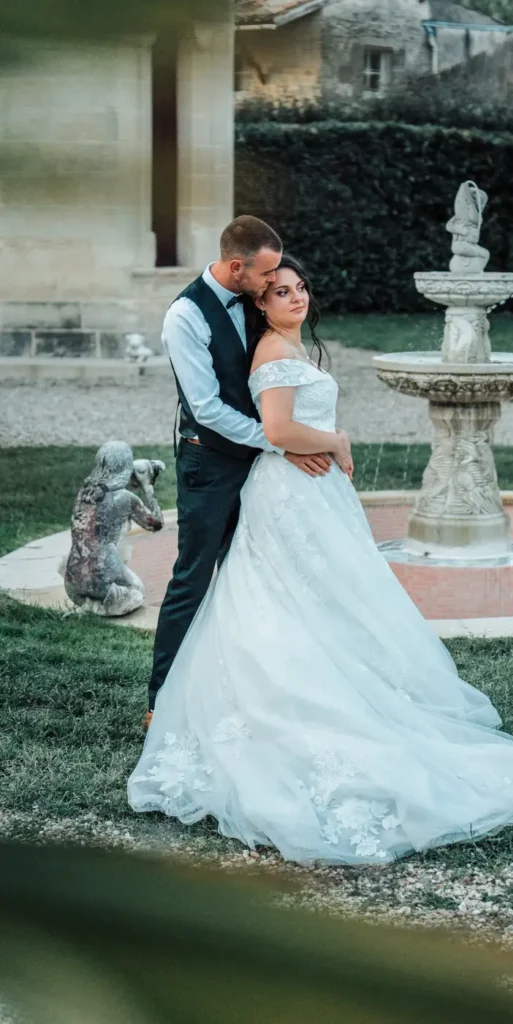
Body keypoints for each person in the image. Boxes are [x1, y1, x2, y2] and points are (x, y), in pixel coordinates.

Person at [128, 255, 513, 866]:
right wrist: (336, 440)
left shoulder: (293, 347)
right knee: (278, 597)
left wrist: (325, 446)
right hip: (288, 491)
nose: (295, 298)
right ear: (259, 302)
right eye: (280, 291)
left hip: (311, 492)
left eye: (300, 287)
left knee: (326, 598)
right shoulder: (269, 353)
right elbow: (280, 428)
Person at [147, 218, 332, 727]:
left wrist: (282, 441)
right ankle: (160, 700)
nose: (274, 284)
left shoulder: (254, 298)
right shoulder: (184, 316)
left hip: (265, 461)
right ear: (237, 267)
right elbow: (205, 406)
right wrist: (278, 441)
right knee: (196, 575)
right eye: (267, 274)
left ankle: (244, 691)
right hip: (210, 462)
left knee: (252, 576)